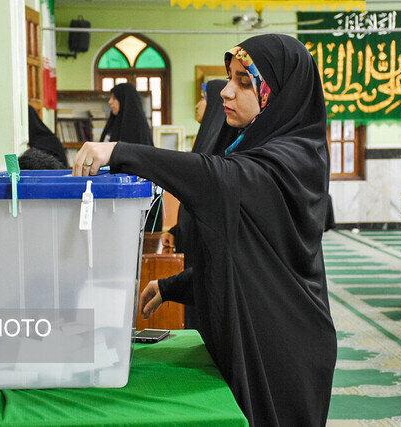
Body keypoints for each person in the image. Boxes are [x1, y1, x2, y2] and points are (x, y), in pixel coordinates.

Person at [73, 34, 336, 426]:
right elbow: (249, 261)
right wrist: (173, 286)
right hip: (258, 331)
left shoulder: (296, 157)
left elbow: (220, 180)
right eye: (229, 79)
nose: (227, 93)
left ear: (279, 94)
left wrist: (120, 151)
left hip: (286, 344)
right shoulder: (254, 148)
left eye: (244, 82)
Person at [159, 79, 227, 330]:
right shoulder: (206, 142)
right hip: (192, 244)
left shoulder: (223, 154)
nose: (198, 105)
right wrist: (177, 231)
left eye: (204, 98)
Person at [101, 83, 160, 231]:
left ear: (124, 101)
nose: (110, 102)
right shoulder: (113, 124)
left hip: (131, 196)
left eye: (114, 98)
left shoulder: (138, 130)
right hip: (109, 189)